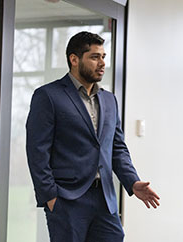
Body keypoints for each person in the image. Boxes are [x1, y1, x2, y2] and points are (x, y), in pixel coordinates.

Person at [26, 31, 160, 242]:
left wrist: (132, 182)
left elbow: (117, 148)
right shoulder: (48, 96)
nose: (102, 63)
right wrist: (50, 196)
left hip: (104, 200)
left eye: (103, 57)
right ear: (74, 59)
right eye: (95, 57)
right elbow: (37, 151)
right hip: (67, 200)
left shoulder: (109, 100)